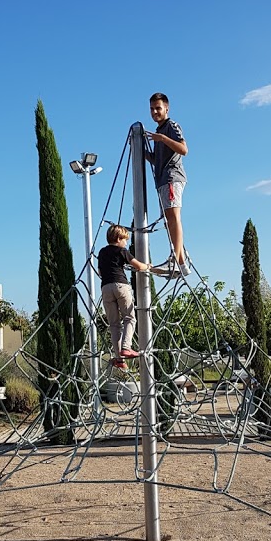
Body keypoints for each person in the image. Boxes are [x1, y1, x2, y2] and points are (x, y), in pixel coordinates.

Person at [145, 92, 190, 277]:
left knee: (173, 217)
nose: (155, 112)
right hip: (162, 179)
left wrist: (162, 139)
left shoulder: (171, 126)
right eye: (152, 109)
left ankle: (177, 259)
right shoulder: (159, 132)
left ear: (166, 109)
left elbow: (183, 149)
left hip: (172, 177)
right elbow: (158, 159)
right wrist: (142, 152)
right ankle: (180, 260)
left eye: (158, 108)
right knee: (168, 219)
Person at [97, 224, 151, 370]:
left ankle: (119, 359)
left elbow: (101, 272)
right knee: (129, 318)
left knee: (114, 324)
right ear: (119, 238)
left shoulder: (102, 252)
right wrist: (148, 266)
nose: (126, 242)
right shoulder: (122, 251)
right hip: (121, 286)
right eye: (125, 239)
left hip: (106, 288)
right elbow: (138, 266)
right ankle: (126, 347)